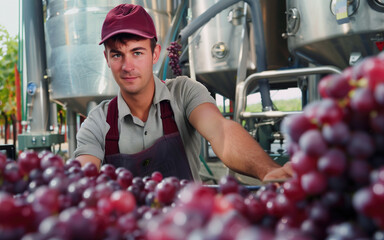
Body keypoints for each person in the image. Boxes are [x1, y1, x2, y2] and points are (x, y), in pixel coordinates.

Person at [74, 3, 293, 181]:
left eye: (137, 52)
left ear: (155, 54)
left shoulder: (184, 92)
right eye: (116, 55)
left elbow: (221, 131)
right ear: (107, 59)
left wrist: (267, 169)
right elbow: (84, 175)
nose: (127, 66)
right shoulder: (97, 122)